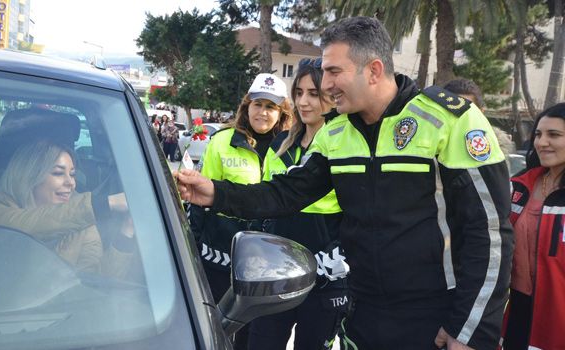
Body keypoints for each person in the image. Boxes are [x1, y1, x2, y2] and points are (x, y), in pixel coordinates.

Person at [175, 16, 512, 350]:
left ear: (374, 70)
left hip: (434, 319)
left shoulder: (448, 119)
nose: (325, 85)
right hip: (361, 312)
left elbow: (490, 234)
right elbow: (285, 194)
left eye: (335, 72)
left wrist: (469, 330)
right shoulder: (335, 132)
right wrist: (215, 193)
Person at [247, 58, 349, 350]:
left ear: (331, 96)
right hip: (275, 275)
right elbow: (265, 203)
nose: (304, 102)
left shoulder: (345, 147)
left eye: (314, 94)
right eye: (299, 93)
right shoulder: (280, 144)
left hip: (324, 277)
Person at [189, 72, 293, 350]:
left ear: (282, 112)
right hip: (219, 258)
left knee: (253, 338)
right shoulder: (221, 142)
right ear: (246, 106)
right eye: (257, 104)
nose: (262, 112)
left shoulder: (290, 148)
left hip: (265, 265)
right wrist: (193, 249)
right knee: (214, 331)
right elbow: (200, 202)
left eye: (271, 107)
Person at [0, 140, 135, 278]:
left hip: (56, 312)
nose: (71, 183)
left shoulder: (83, 220)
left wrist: (126, 234)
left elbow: (95, 282)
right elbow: (23, 226)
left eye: (72, 174)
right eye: (58, 173)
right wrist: (107, 203)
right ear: (30, 176)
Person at [501, 103, 565, 349]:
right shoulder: (518, 187)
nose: (542, 142)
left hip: (557, 317)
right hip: (517, 307)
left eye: (554, 135)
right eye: (538, 134)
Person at [443, 78, 516, 170]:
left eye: (467, 111)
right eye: (453, 110)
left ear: (481, 113)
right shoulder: (428, 143)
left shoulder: (495, 150)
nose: (460, 117)